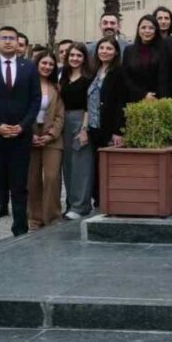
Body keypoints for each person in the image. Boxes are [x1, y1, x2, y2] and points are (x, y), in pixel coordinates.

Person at [0, 26, 41, 248]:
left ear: (18, 42)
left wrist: (22, 126)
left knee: (19, 186)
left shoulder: (29, 68)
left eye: (12, 38)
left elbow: (35, 101)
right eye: (4, 38)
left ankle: (20, 230)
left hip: (20, 137)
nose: (9, 42)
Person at [87, 36, 126, 208]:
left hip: (109, 127)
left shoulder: (119, 72)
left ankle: (107, 200)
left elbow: (121, 103)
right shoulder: (93, 71)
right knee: (95, 165)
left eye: (109, 48)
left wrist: (118, 131)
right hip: (94, 126)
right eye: (102, 48)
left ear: (116, 52)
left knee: (107, 166)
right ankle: (97, 199)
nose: (104, 51)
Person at [28, 51, 64, 230]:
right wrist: (29, 134)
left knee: (51, 177)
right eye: (44, 63)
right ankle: (35, 217)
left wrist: (50, 135)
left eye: (51, 64)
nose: (47, 67)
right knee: (32, 179)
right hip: (30, 135)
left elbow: (60, 115)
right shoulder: (26, 85)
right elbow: (21, 111)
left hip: (51, 137)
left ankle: (52, 216)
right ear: (37, 64)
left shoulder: (56, 88)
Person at [59, 44, 93, 220]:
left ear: (84, 58)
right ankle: (72, 204)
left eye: (79, 55)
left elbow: (90, 105)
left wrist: (84, 129)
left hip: (81, 120)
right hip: (64, 122)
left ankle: (81, 207)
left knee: (82, 165)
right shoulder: (63, 77)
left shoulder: (89, 78)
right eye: (72, 55)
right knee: (68, 165)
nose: (74, 58)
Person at [121, 14, 162, 104]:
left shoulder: (163, 49)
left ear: (156, 30)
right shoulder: (129, 50)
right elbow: (126, 77)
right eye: (143, 27)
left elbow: (165, 77)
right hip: (134, 101)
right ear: (138, 30)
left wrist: (154, 96)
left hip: (158, 100)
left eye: (151, 28)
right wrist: (143, 95)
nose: (147, 31)